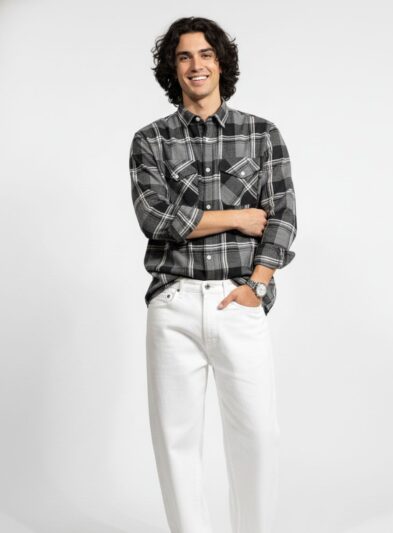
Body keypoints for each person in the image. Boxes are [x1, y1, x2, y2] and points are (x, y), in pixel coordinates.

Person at [129, 16, 297, 533]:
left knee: (258, 438)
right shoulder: (150, 140)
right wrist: (238, 218)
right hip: (173, 302)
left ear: (221, 63)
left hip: (238, 298)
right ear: (172, 68)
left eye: (205, 54)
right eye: (184, 56)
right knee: (175, 443)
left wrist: (257, 285)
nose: (195, 65)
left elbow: (283, 218)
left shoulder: (262, 134)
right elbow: (155, 219)